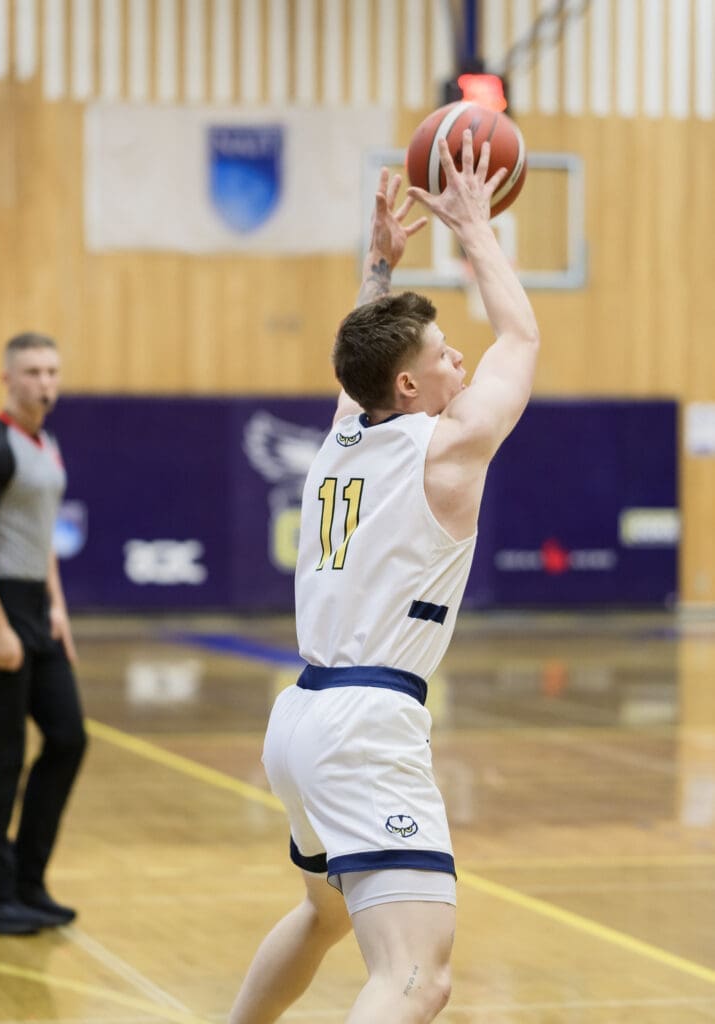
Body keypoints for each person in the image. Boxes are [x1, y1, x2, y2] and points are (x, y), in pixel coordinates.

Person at [228, 131, 540, 1023]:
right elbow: (520, 332)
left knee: (322, 915)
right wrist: (473, 226)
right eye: (444, 355)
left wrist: (378, 264)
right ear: (408, 386)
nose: (460, 362)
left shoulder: (344, 436)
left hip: (300, 722)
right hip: (366, 726)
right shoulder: (446, 447)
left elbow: (358, 355)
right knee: (415, 976)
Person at [0, 332, 87, 935]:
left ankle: (27, 883)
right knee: (2, 753)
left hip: (34, 605)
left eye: (52, 371)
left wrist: (56, 608)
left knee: (68, 737)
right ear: (8, 378)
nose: (45, 382)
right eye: (32, 371)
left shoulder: (46, 443)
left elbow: (41, 535)